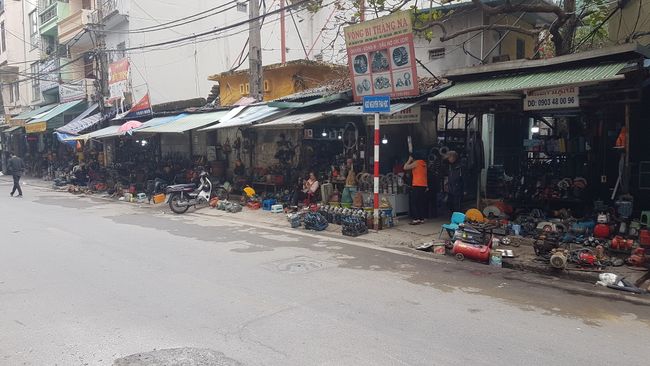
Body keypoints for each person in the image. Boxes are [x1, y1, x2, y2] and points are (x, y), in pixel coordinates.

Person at [404, 152, 428, 225]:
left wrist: (409, 160)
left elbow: (405, 167)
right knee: (420, 202)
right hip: (423, 185)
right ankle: (421, 218)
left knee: (414, 202)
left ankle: (416, 219)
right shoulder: (424, 163)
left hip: (417, 184)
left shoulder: (416, 163)